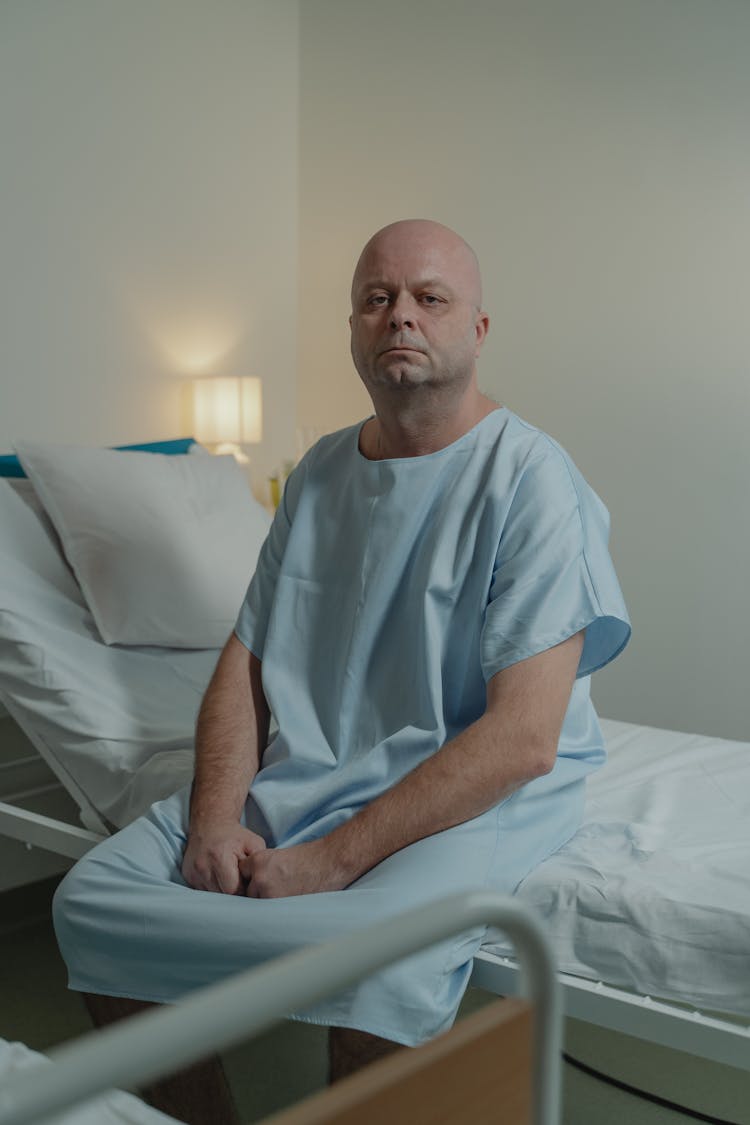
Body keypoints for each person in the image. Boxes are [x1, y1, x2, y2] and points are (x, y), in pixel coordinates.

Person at [53, 219, 631, 1124]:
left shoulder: (531, 478)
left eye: (430, 298)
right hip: (315, 769)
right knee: (91, 900)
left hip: (469, 787)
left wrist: (329, 862)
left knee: (377, 953)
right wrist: (211, 816)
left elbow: (523, 740)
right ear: (354, 329)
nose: (400, 315)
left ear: (476, 330)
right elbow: (244, 662)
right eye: (376, 298)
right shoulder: (321, 469)